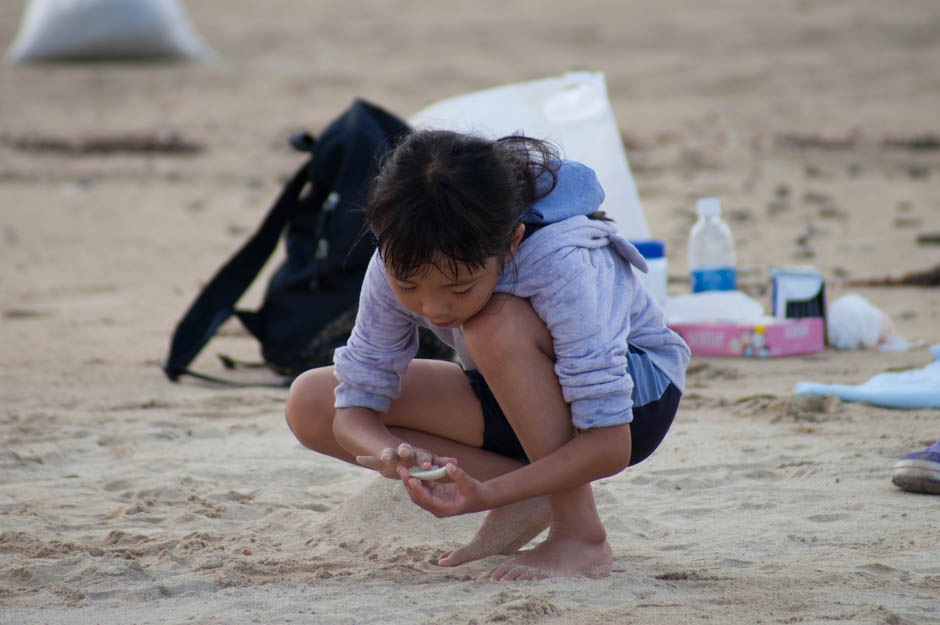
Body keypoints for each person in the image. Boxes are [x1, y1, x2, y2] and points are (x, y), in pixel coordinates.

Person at [284, 130, 690, 581]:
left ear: (512, 241)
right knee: (312, 401)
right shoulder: (394, 257)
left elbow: (610, 446)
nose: (434, 310)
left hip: (633, 400)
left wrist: (487, 494)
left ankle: (579, 533)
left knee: (492, 323)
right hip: (515, 394)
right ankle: (530, 494)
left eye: (459, 288)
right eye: (409, 287)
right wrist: (388, 451)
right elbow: (354, 406)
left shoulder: (563, 261)